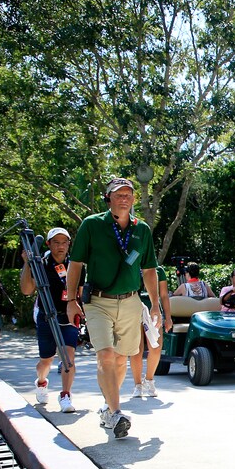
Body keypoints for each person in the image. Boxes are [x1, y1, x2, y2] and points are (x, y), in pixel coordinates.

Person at [66, 177, 161, 439]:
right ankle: (118, 412)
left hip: (130, 301)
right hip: (97, 301)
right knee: (105, 356)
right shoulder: (92, 225)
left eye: (128, 194)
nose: (125, 198)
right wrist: (71, 301)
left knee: (121, 359)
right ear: (109, 198)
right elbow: (75, 265)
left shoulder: (141, 229)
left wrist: (155, 305)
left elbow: (149, 269)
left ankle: (109, 407)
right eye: (119, 194)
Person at [19, 228, 81, 412]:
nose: (61, 246)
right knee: (46, 361)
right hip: (46, 316)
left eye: (64, 242)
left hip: (68, 317)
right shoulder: (41, 264)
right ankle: (41, 382)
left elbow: (81, 292)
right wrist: (28, 263)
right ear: (48, 244)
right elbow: (27, 290)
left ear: (69, 244)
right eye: (56, 242)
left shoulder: (76, 265)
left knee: (68, 357)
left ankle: (65, 395)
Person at [129, 265, 173, 397]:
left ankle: (149, 380)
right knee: (136, 349)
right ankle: (137, 385)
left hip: (153, 311)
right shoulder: (131, 266)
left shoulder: (158, 270)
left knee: (156, 346)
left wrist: (168, 317)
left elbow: (164, 295)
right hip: (133, 309)